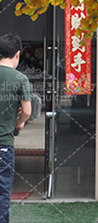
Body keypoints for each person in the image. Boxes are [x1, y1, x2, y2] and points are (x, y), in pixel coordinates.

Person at [0, 35, 31, 223]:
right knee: (2, 193)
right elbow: (27, 111)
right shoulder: (20, 78)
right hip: (4, 144)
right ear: (17, 54)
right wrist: (19, 123)